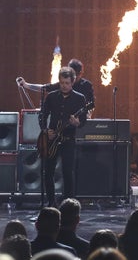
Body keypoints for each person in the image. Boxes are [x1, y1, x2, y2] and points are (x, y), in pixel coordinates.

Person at [39, 67, 88, 207]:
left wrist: (77, 122)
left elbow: (83, 121)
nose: (64, 86)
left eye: (67, 83)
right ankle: (51, 203)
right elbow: (42, 115)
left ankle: (68, 204)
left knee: (67, 172)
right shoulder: (51, 96)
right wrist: (45, 130)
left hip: (68, 140)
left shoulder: (80, 98)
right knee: (48, 172)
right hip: (51, 139)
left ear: (72, 82)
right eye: (62, 83)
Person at [17, 58, 95, 117]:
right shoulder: (63, 84)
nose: (75, 78)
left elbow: (91, 104)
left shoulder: (87, 85)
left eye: (77, 75)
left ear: (81, 73)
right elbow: (44, 88)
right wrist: (26, 85)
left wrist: (88, 113)